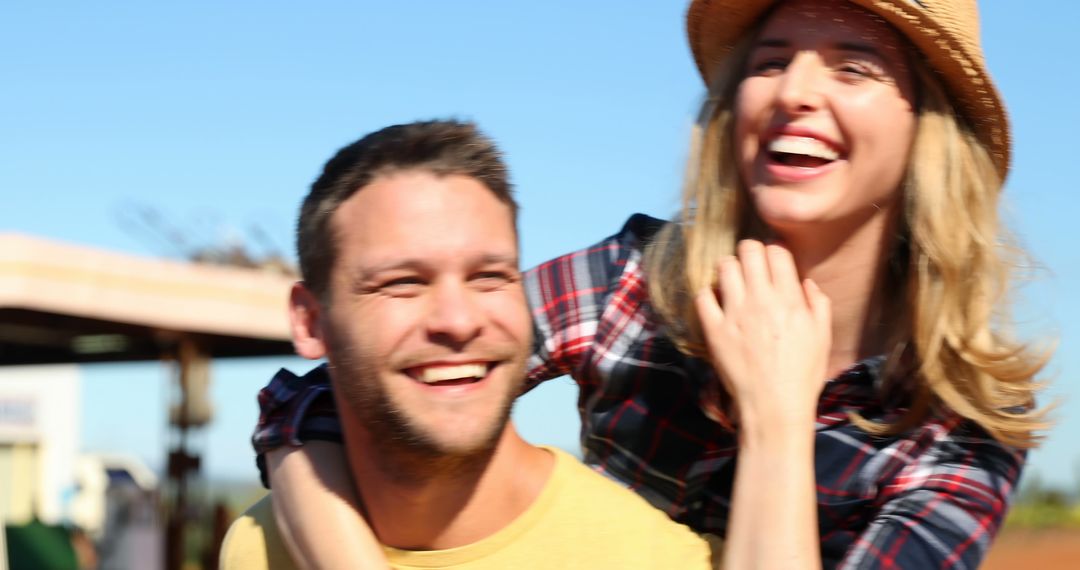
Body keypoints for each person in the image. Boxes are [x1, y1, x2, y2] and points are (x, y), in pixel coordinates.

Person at [253, 1, 1052, 567]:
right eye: (771, 62)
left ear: (928, 134)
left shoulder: (966, 424)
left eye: (854, 67)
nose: (795, 93)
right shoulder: (632, 279)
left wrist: (778, 421)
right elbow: (332, 397)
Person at [219, 120, 716, 569]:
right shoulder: (257, 549)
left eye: (488, 277)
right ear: (310, 322)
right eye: (403, 282)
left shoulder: (652, 558)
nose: (458, 321)